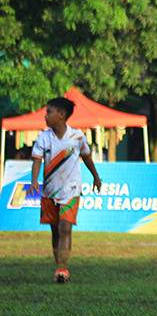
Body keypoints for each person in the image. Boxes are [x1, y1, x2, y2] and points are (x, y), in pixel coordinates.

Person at [29, 97, 102, 283]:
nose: (45, 116)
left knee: (65, 228)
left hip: (71, 191)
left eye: (48, 112)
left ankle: (63, 269)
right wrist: (34, 181)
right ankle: (59, 266)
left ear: (61, 115)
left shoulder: (77, 137)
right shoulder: (43, 138)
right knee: (55, 231)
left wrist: (95, 176)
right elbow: (37, 160)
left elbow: (86, 157)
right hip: (49, 191)